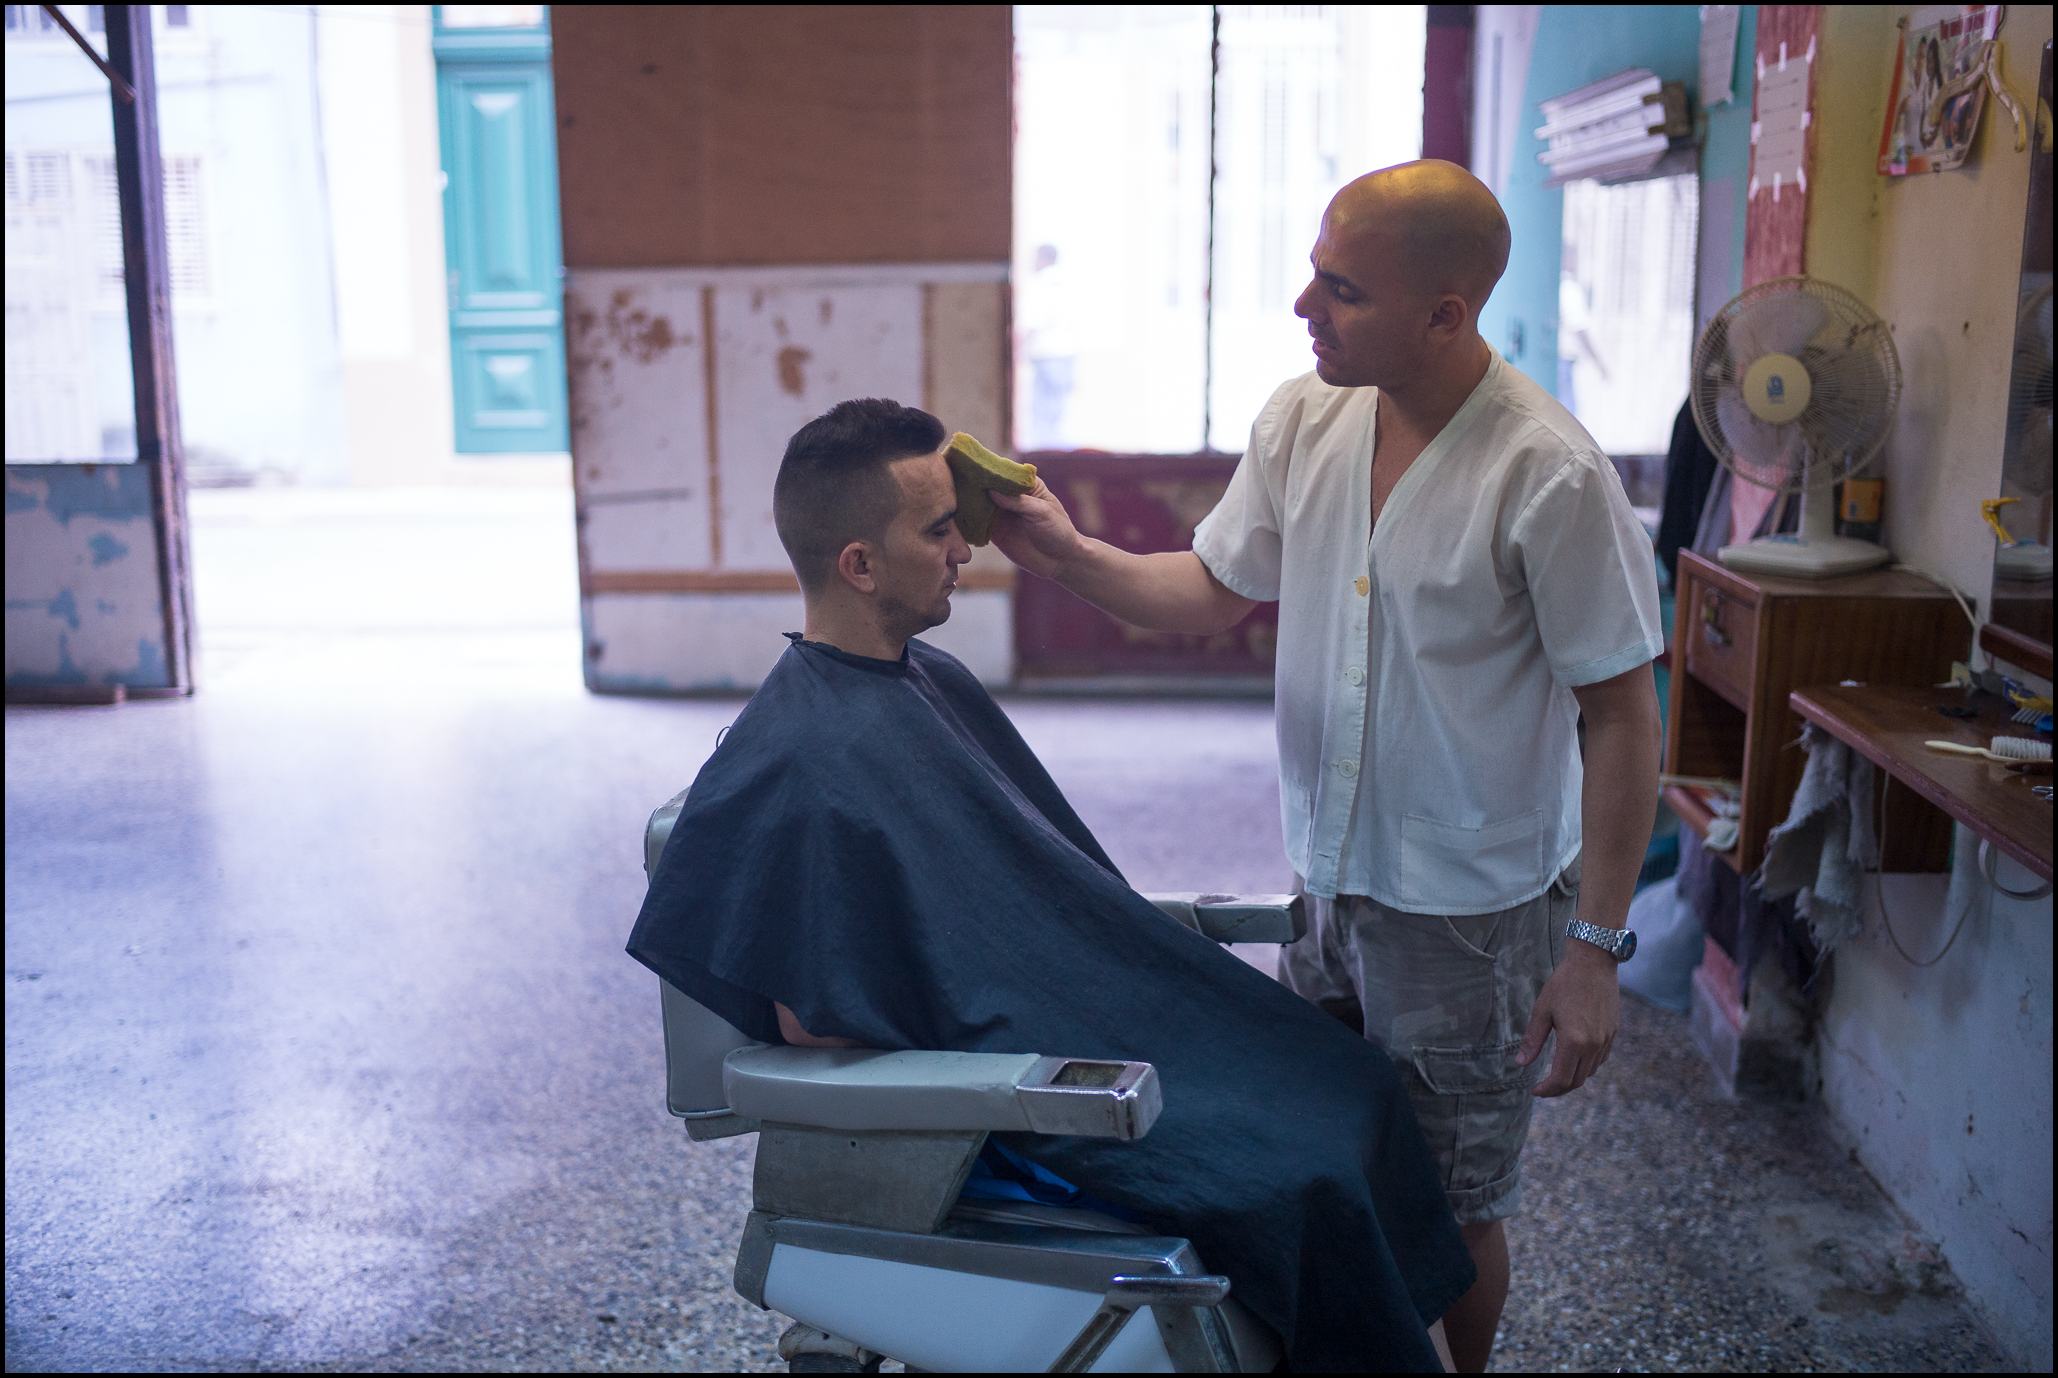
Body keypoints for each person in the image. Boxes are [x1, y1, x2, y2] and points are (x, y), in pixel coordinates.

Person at [628, 397, 1478, 1372]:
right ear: (859, 563)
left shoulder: (924, 679)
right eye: (941, 529)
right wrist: (992, 1032)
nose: (966, 549)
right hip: (1000, 1096)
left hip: (1082, 1016)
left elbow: (1041, 884)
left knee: (1351, 1080)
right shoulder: (794, 767)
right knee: (1303, 1170)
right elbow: (813, 1025)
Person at [987, 160, 1665, 1373]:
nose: (1306, 306)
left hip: (1470, 906)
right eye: (1313, 271)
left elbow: (1621, 713)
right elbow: (1211, 586)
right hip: (1331, 877)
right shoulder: (1307, 417)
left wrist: (1595, 951)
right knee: (1332, 1154)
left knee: (1456, 1198)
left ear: (1446, 315)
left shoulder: (1547, 474)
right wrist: (1068, 553)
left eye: (1341, 289)